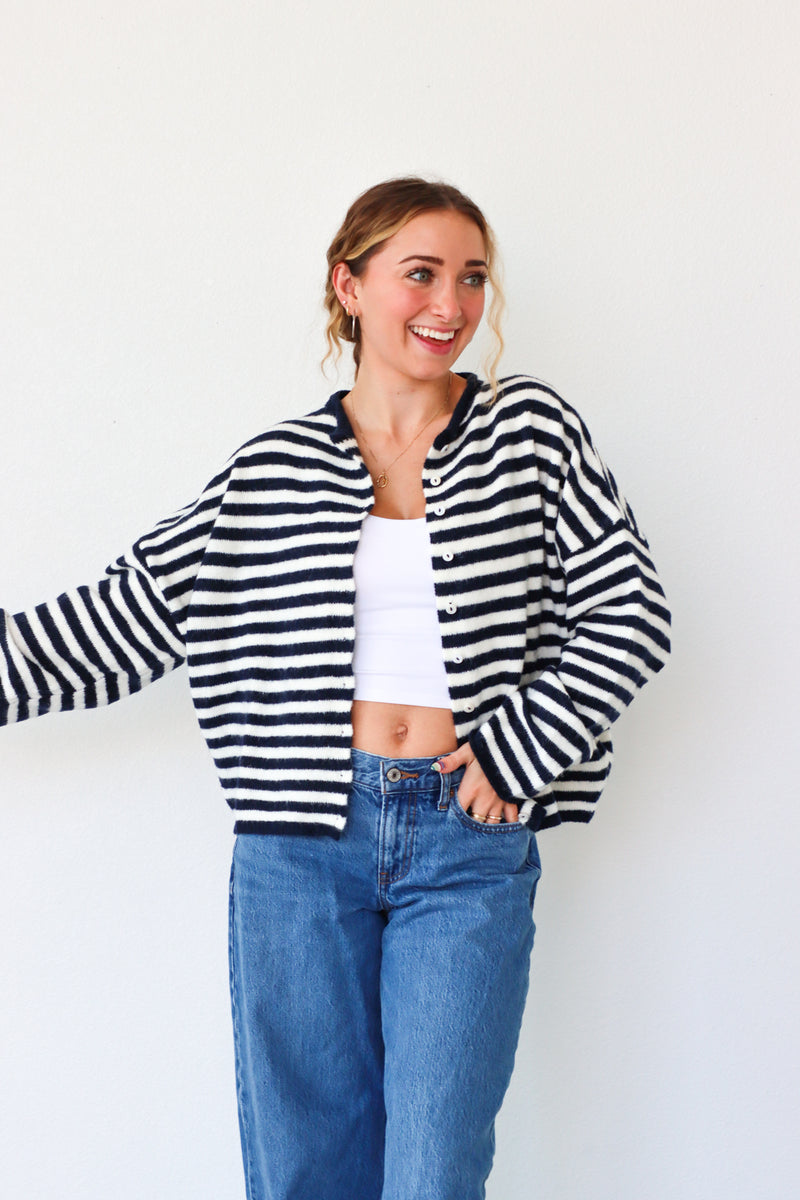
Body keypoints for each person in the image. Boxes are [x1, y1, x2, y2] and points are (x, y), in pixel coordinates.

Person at [0, 177, 671, 1199]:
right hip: (298, 847)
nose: (450, 304)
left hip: (467, 843)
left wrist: (517, 750)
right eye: (420, 273)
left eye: (472, 278)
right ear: (348, 286)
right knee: (305, 1171)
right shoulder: (273, 468)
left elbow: (629, 609)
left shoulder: (530, 433)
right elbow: (123, 616)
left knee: (433, 1170)